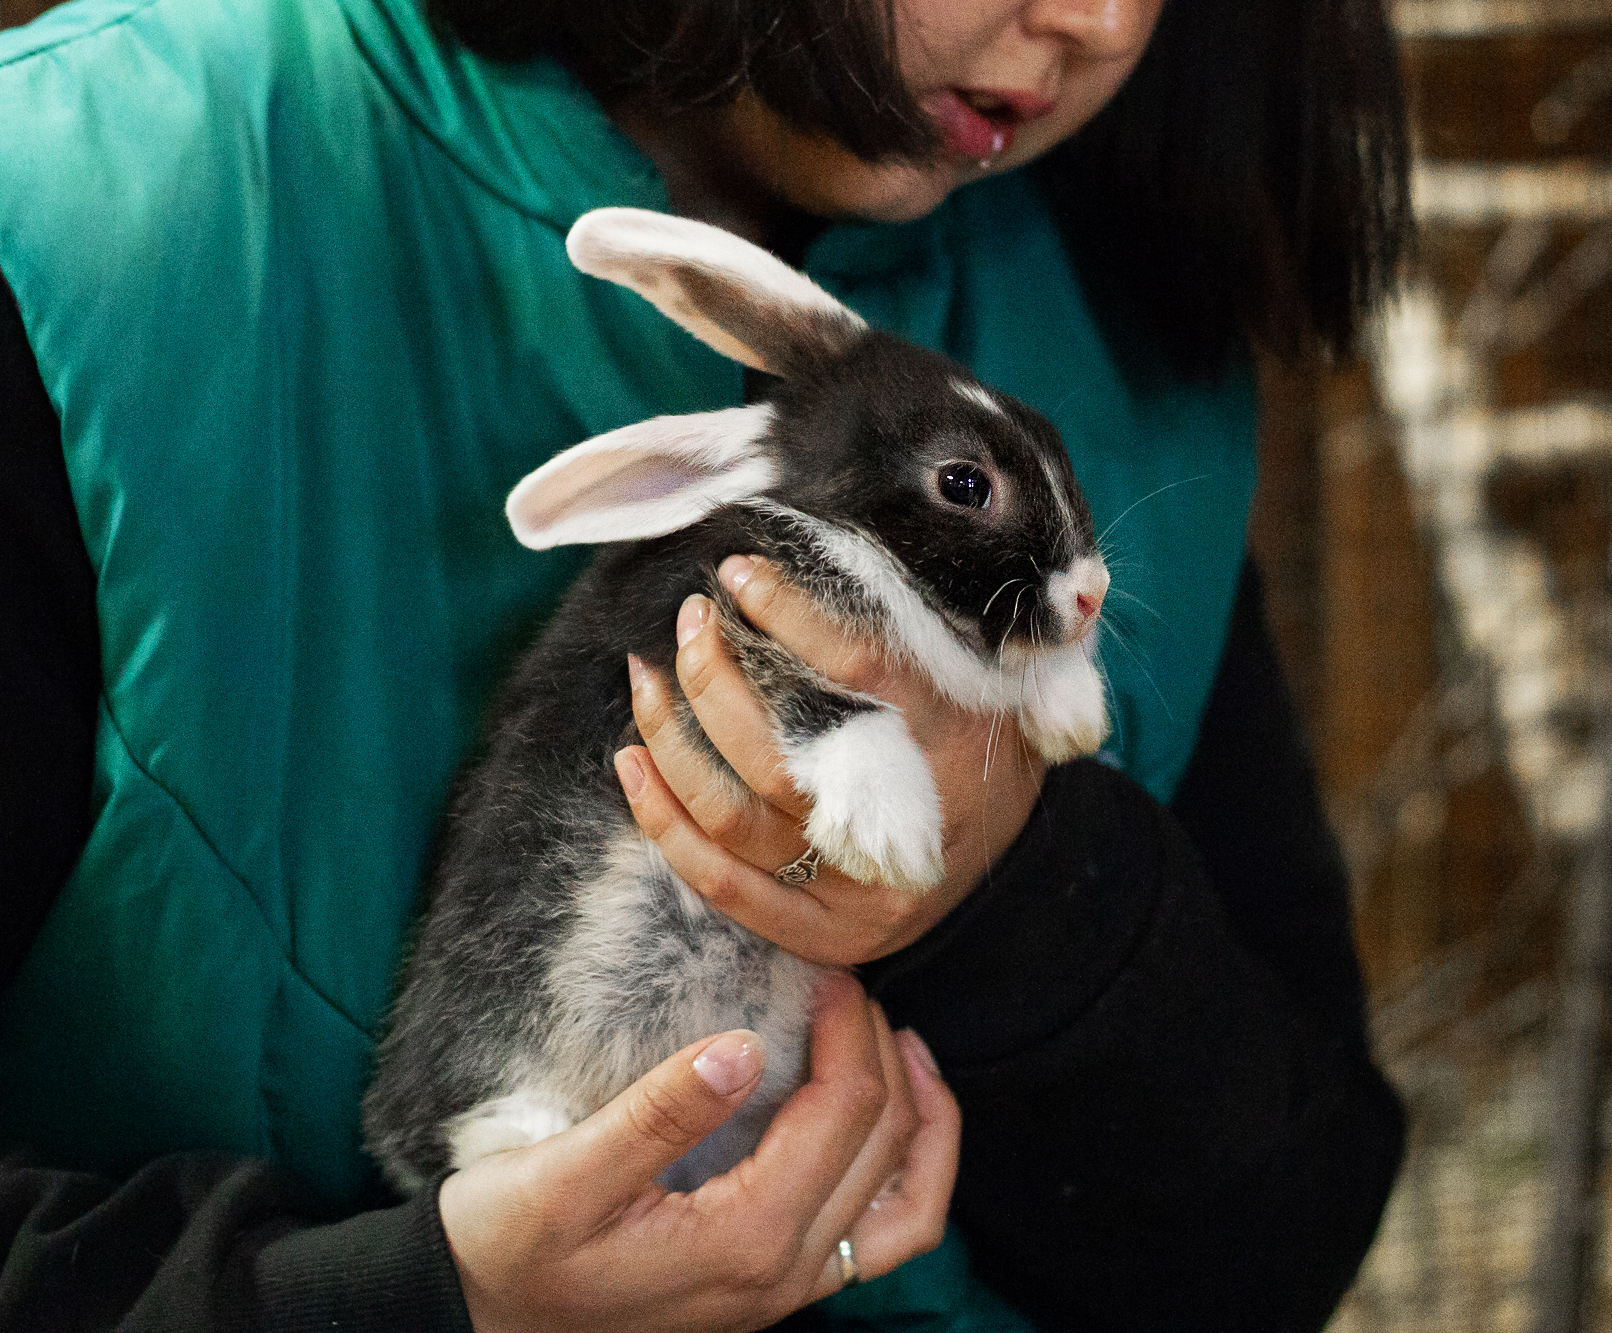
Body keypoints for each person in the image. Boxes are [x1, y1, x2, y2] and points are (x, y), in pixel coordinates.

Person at [0, 0, 1411, 1328]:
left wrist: (1021, 891)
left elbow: (1283, 1227)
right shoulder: (85, 233)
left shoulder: (1119, 310)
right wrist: (407, 1293)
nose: (1098, 23)